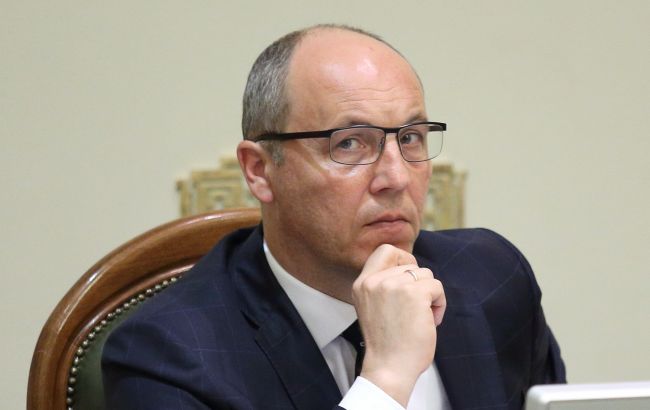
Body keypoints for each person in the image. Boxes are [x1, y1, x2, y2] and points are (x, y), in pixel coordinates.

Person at [102, 24, 566, 410]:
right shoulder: (167, 355)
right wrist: (386, 378)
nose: (395, 177)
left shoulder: (492, 279)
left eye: (410, 138)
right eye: (349, 143)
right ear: (260, 170)